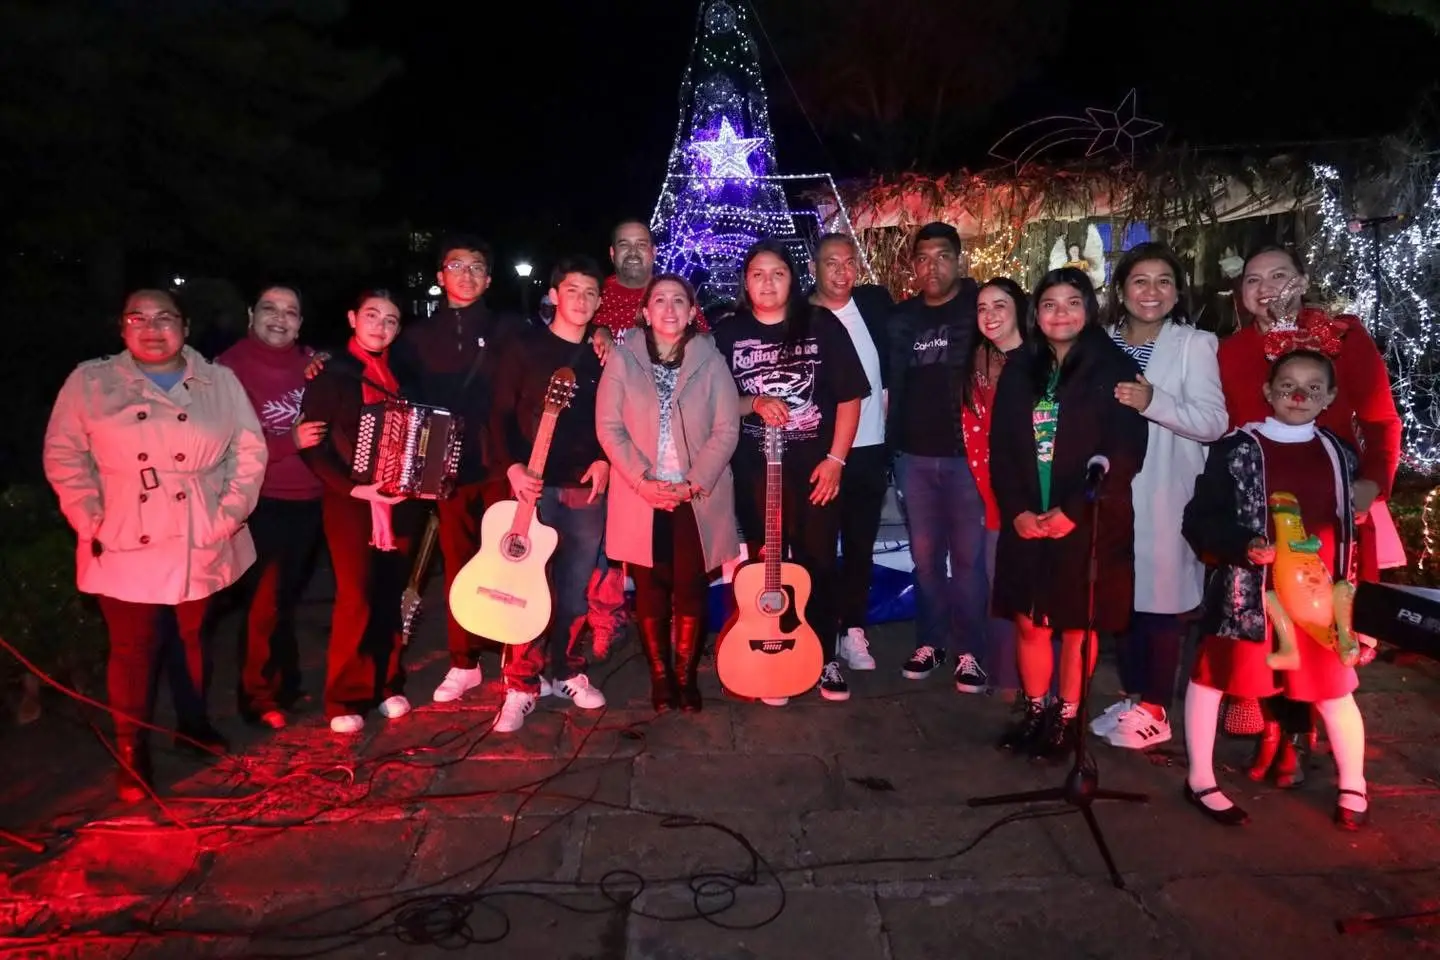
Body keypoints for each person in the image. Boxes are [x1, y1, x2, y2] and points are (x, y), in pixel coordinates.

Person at [43, 289, 267, 801]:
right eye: (137, 317)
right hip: (125, 529)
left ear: (184, 326)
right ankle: (131, 750)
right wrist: (90, 518)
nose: (152, 327)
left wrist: (227, 514)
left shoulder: (219, 381)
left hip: (199, 527)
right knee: (133, 647)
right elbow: (64, 454)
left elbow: (249, 451)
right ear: (121, 327)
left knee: (192, 635)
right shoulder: (90, 381)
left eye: (165, 317)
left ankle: (192, 725)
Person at [1215, 246, 1401, 783]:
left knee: (1320, 622)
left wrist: (1372, 484)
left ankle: (1304, 734)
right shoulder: (1231, 351)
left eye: (1279, 274)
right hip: (1257, 506)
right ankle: (1273, 730)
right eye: (1254, 279)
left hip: (1329, 507)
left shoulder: (1344, 338)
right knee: (1262, 621)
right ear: (1242, 294)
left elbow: (1382, 422)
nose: (1267, 287)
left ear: (1302, 279)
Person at [1180, 349, 1368, 829]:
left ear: (1328, 396)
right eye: (1287, 385)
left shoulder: (1339, 453)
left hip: (1319, 599)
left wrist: (1360, 514)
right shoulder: (1236, 449)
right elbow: (1199, 520)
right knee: (1213, 678)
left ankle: (1354, 785)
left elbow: (1355, 515)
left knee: (1334, 690)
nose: (1299, 395)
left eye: (1311, 386)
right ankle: (1200, 777)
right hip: (1247, 596)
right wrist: (1243, 544)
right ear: (1268, 392)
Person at [990, 268, 1149, 761]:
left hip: (1087, 518)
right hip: (1027, 516)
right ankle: (1035, 710)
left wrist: (1075, 510)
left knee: (1078, 624)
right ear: (1036, 313)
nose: (1061, 313)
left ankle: (1068, 715)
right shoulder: (1022, 367)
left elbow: (1125, 451)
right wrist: (1016, 510)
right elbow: (1001, 448)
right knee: (1029, 620)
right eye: (1049, 304)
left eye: (1072, 302)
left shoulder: (1113, 367)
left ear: (1090, 308)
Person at [713, 239, 869, 705]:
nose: (767, 282)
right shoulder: (727, 334)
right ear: (745, 281)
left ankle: (823, 658)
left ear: (792, 279)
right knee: (767, 568)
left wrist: (836, 460)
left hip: (815, 470)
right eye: (758, 273)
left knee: (819, 563)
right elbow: (718, 403)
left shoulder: (821, 326)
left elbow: (849, 397)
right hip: (756, 475)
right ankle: (772, 652)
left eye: (777, 273)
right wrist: (755, 402)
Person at [1092, 243, 1228, 750]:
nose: (1152, 291)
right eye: (1140, 281)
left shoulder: (1194, 344)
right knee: (1120, 600)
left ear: (1177, 291)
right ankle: (1132, 697)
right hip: (1112, 494)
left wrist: (1155, 402)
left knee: (1161, 604)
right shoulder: (1100, 341)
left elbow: (1214, 423)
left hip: (1165, 493)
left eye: (1163, 281)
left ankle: (1156, 708)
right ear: (1122, 290)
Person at [596, 274, 740, 711]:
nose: (670, 308)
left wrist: (693, 482)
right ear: (645, 312)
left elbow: (726, 427)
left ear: (692, 311)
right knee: (651, 588)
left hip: (695, 496)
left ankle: (685, 675)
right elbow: (608, 426)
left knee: (690, 587)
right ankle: (660, 677)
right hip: (640, 494)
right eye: (660, 299)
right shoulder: (623, 360)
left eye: (680, 299)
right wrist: (643, 481)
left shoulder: (711, 360)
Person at [489, 256, 612, 733]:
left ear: (599, 301)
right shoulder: (523, 348)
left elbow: (613, 417)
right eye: (572, 290)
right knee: (524, 586)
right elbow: (497, 414)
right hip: (532, 488)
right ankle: (521, 684)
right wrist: (512, 467)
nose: (581, 300)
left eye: (590, 293)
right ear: (554, 295)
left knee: (575, 590)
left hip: (585, 489)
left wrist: (604, 456)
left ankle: (566, 670)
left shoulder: (604, 357)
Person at [298, 290, 425, 734]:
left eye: (390, 320)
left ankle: (388, 683)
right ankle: (344, 696)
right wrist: (354, 490)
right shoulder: (332, 373)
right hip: (351, 505)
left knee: (392, 596)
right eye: (372, 316)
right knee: (356, 597)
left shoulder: (403, 373)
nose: (380, 326)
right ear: (353, 318)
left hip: (401, 502)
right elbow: (312, 448)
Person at [885, 222, 987, 691]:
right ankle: (932, 641)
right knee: (926, 560)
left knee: (969, 560)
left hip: (968, 459)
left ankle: (971, 651)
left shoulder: (980, 308)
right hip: (914, 458)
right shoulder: (901, 319)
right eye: (923, 258)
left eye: (942, 256)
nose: (932, 266)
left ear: (959, 260)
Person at [218, 285, 325, 729]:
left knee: (285, 597)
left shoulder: (313, 365)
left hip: (311, 498)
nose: (279, 319)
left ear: (301, 322)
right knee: (265, 600)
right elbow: (222, 442)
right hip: (261, 500)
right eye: (269, 309)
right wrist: (288, 443)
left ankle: (286, 681)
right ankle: (256, 695)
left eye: (291, 312)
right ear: (251, 314)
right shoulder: (227, 370)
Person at [809, 232, 894, 673]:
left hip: (871, 450)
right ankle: (820, 639)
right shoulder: (801, 318)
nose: (842, 272)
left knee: (861, 546)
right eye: (831, 263)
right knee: (819, 549)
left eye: (848, 263)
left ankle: (853, 630)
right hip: (820, 456)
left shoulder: (876, 307)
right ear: (813, 269)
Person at [964, 278, 1031, 700]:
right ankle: (1007, 676)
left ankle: (1046, 684)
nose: (990, 315)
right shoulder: (977, 362)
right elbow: (974, 430)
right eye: (982, 308)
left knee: (1038, 592)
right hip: (990, 491)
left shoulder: (1042, 361)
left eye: (1000, 305)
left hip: (1035, 491)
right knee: (999, 585)